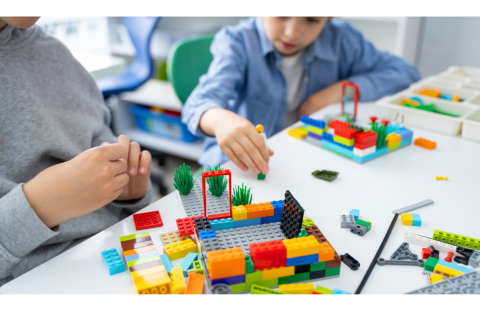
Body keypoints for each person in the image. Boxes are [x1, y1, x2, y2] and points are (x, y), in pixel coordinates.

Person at [0, 17, 153, 286]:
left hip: (116, 248)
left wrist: (125, 190)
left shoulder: (54, 53)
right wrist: (39, 205)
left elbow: (101, 141)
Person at [182, 17, 421, 174]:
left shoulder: (342, 40)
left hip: (306, 162)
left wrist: (341, 88)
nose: (292, 32)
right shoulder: (238, 42)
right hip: (239, 168)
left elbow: (406, 72)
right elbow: (197, 104)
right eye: (282, 14)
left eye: (312, 20)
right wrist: (220, 120)